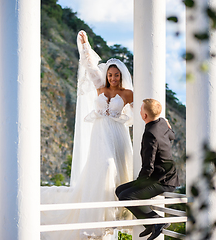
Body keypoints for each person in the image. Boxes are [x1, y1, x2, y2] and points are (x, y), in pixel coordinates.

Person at [41, 30, 134, 240]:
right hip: (100, 134)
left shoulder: (128, 94)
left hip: (118, 135)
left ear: (121, 75)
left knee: (117, 170)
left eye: (115, 74)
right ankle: (97, 219)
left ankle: (115, 214)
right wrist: (85, 46)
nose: (112, 78)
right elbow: (91, 67)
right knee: (103, 168)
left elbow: (143, 110)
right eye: (110, 75)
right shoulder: (100, 88)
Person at [115, 99, 179, 240]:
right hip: (164, 175)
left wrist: (139, 184)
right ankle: (149, 225)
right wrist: (168, 126)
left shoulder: (150, 134)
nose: (139, 111)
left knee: (126, 196)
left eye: (141, 109)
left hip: (163, 181)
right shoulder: (161, 122)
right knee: (119, 191)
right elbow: (172, 136)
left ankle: (158, 222)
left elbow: (148, 166)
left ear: (144, 116)